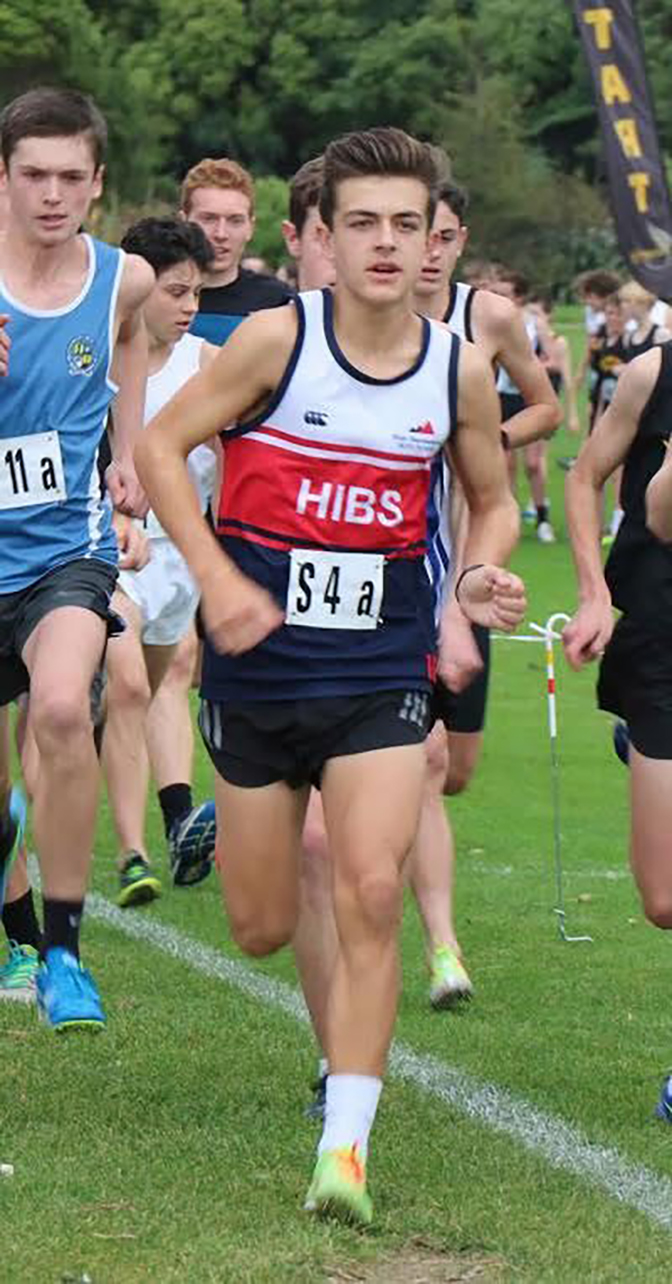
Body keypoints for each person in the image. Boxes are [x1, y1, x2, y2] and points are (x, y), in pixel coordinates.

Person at [136, 126, 526, 1224]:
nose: (388, 244)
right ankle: (224, 808)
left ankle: (343, 1149)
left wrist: (477, 581)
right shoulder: (275, 341)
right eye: (364, 223)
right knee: (260, 923)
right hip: (258, 675)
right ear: (321, 236)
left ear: (436, 236)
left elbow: (489, 496)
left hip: (380, 671)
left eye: (410, 224)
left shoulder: (457, 368)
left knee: (366, 888)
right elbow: (163, 449)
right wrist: (216, 580)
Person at [0, 86, 153, 1030]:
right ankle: (16, 931)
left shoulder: (123, 278)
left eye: (70, 177)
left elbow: (132, 339)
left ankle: (64, 953)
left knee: (62, 706)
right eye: (32, 176)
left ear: (96, 184)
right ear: (3, 179)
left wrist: (126, 451)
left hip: (67, 543)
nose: (52, 195)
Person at [144, 158, 296, 880]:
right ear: (185, 216)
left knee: (219, 666)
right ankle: (180, 818)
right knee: (170, 663)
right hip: (155, 504)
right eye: (209, 218)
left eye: (236, 220)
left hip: (240, 511)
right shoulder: (151, 288)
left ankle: (237, 810)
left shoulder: (275, 306)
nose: (223, 233)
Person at [563, 342, 672, 1121]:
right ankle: (640, 749)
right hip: (661, 637)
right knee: (665, 899)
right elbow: (592, 481)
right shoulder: (651, 374)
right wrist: (593, 592)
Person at [100, 217, 220, 905]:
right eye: (176, 291)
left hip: (179, 554)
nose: (188, 306)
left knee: (165, 679)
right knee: (127, 685)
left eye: (196, 294)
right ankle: (132, 852)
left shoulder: (207, 363)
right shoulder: (98, 352)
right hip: (108, 545)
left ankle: (176, 824)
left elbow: (233, 453)